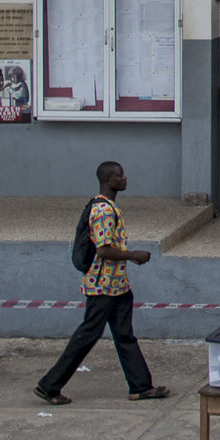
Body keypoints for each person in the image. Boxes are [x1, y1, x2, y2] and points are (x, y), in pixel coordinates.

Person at [34, 161, 166, 404]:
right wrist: (132, 255)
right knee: (88, 335)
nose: (124, 178)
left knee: (125, 334)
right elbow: (104, 250)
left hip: (117, 286)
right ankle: (50, 385)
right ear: (108, 180)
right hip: (103, 286)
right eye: (119, 176)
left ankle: (140, 386)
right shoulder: (103, 211)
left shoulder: (108, 207)